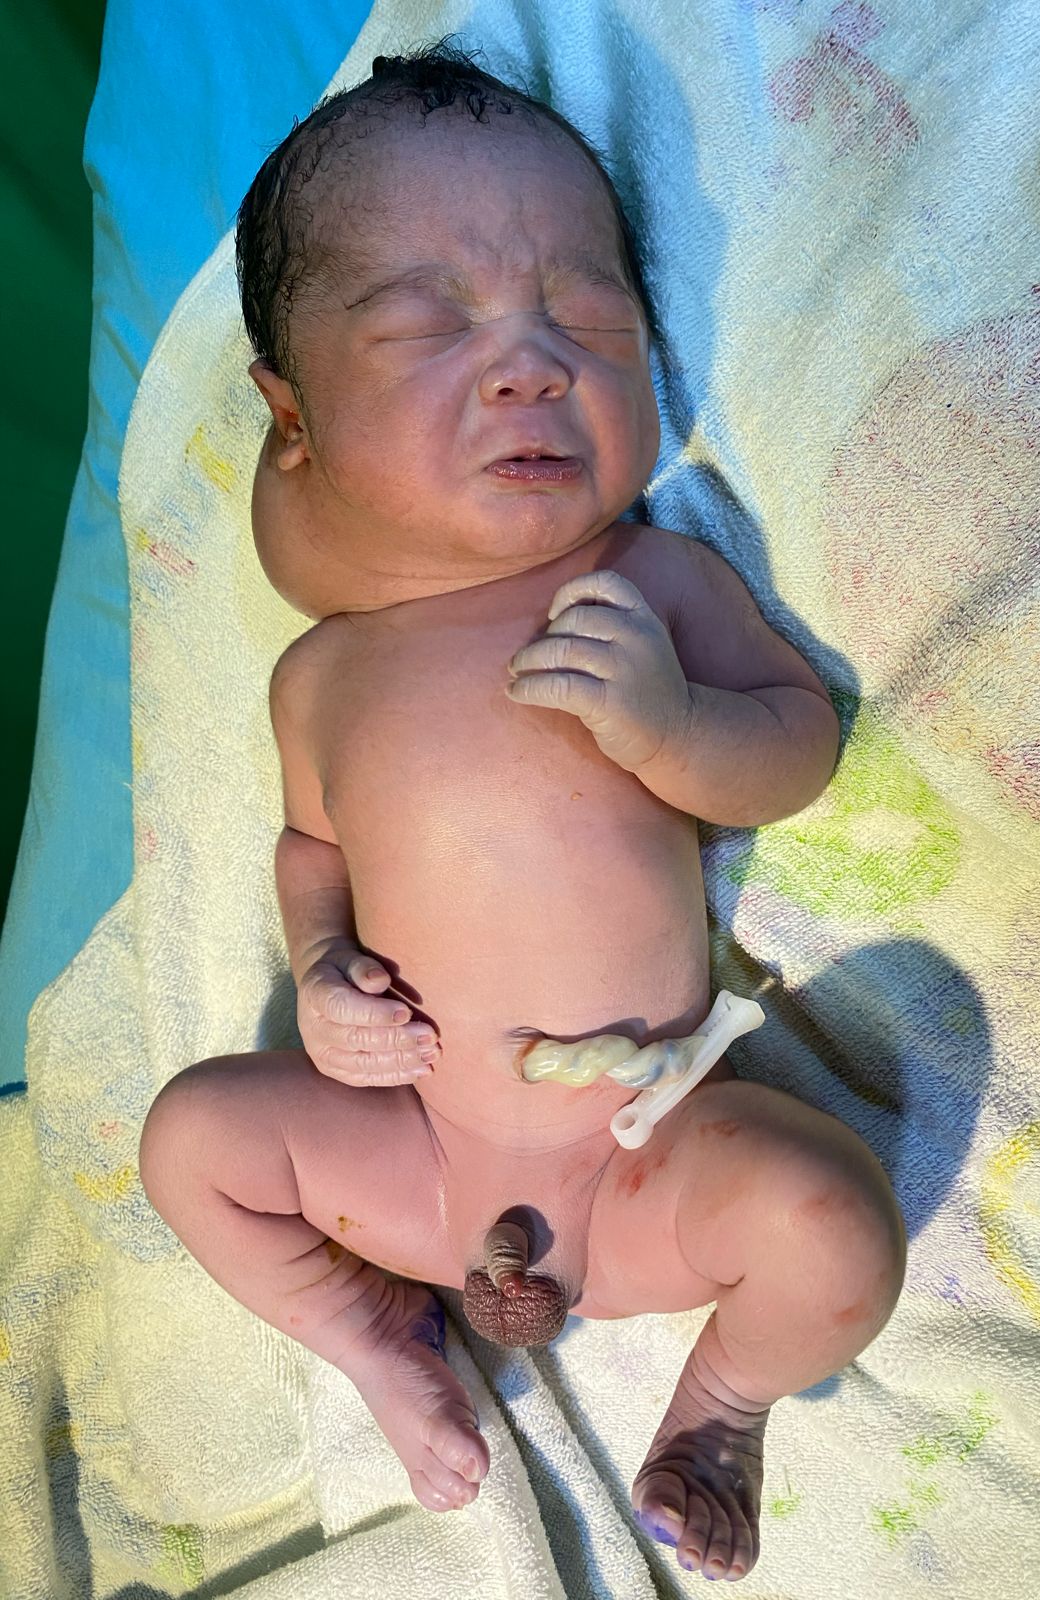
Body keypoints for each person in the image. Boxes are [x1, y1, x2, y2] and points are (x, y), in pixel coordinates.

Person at [138, 40, 906, 1584]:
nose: (532, 365)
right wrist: (322, 968)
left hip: (644, 1149)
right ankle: (372, 1329)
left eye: (591, 320)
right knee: (192, 1144)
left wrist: (676, 728)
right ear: (293, 418)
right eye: (430, 323)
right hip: (419, 1157)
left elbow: (797, 746)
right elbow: (311, 852)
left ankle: (720, 1408)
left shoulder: (644, 583)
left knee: (836, 1228)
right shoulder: (324, 674)